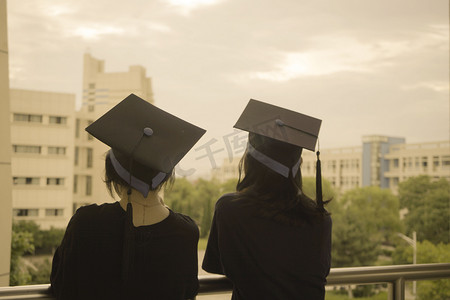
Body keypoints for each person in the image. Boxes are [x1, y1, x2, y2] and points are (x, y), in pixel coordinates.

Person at [50, 94, 206, 300]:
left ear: (111, 174)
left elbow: (61, 285)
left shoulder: (85, 222)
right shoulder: (185, 232)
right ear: (166, 175)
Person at [202, 99, 332, 300]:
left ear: (250, 160)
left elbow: (217, 266)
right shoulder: (320, 218)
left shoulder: (230, 208)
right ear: (300, 163)